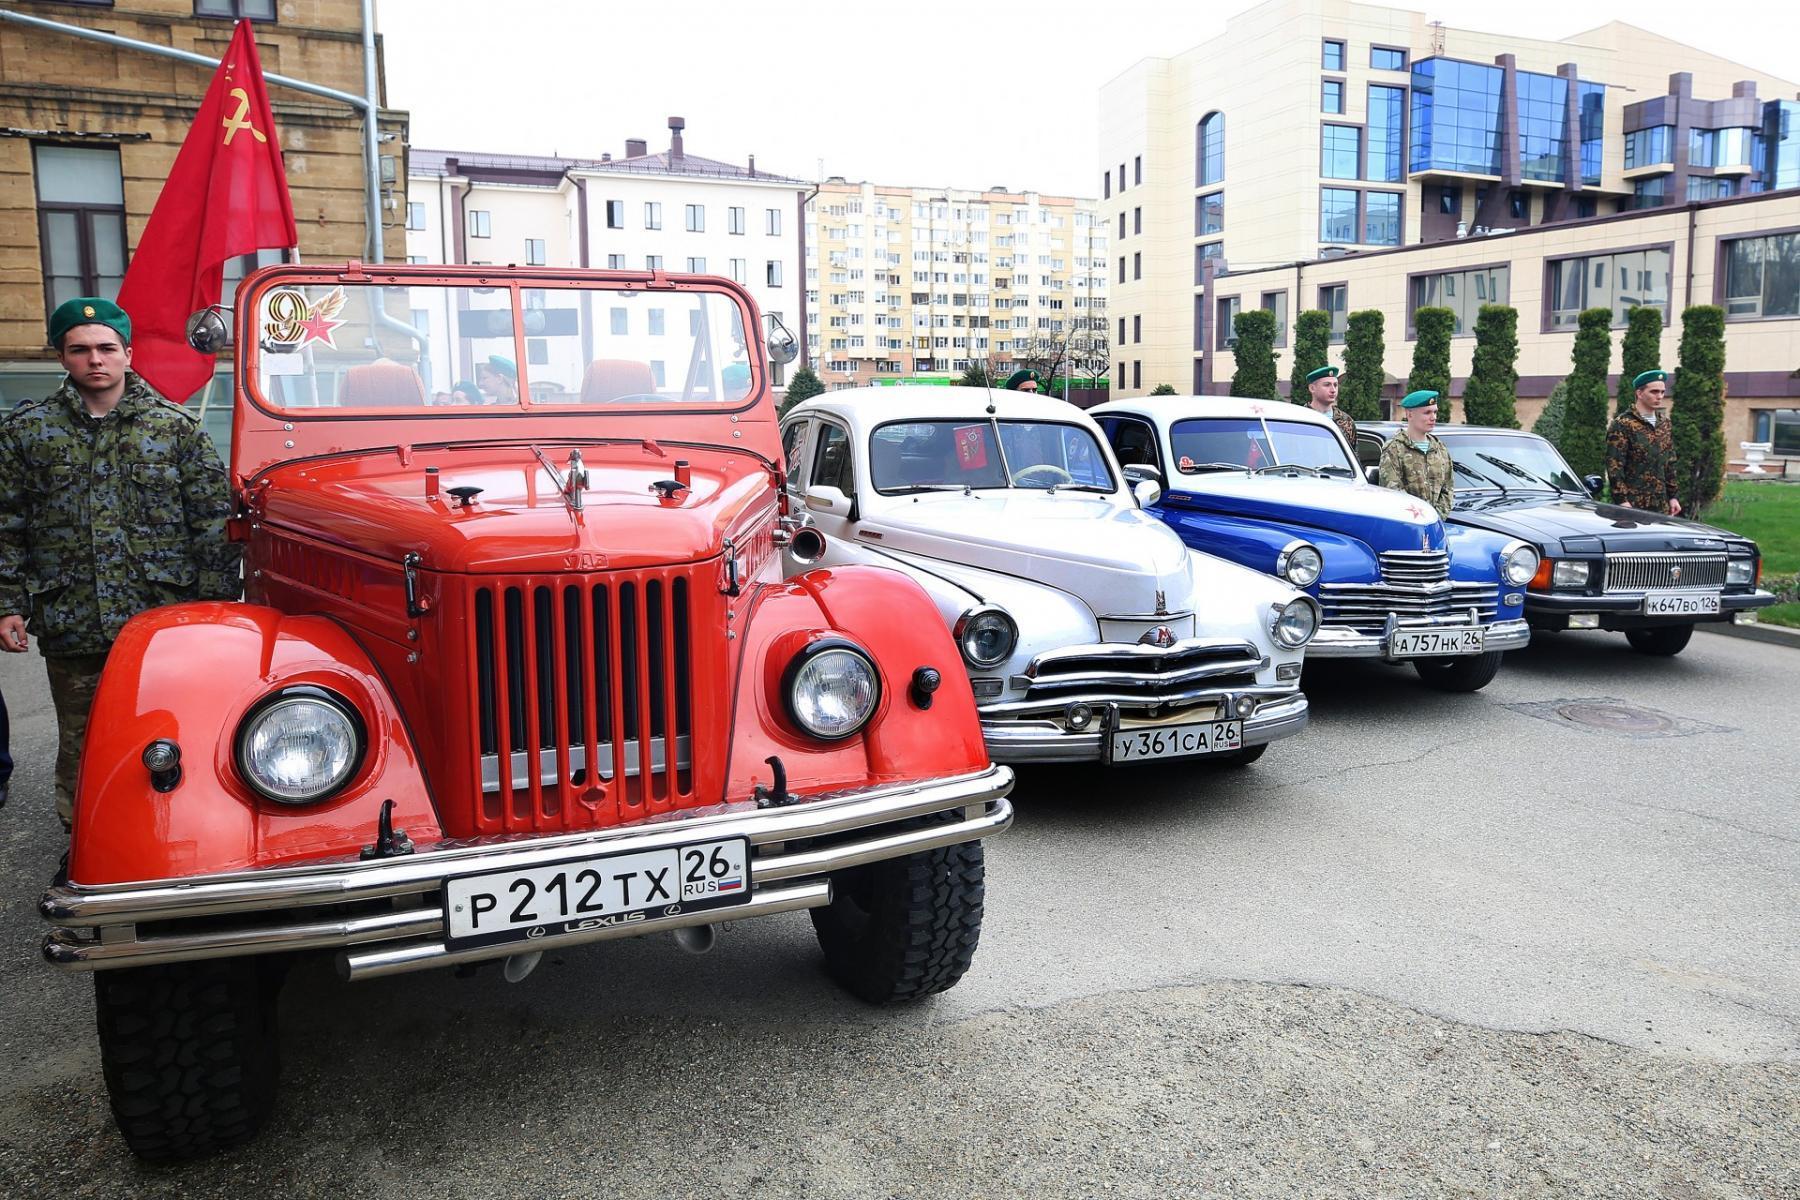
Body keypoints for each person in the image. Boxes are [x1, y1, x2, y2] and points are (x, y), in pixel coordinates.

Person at [0, 298, 241, 828]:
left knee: (170, 732)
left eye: (107, 348)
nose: (95, 360)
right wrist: (8, 604)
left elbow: (211, 523)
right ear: (61, 357)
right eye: (80, 349)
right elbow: (8, 523)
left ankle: (173, 833)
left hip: (160, 619)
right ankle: (87, 843)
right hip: (72, 617)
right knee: (83, 741)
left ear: (128, 354)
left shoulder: (175, 429)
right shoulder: (27, 434)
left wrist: (215, 608)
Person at [1605, 369, 1682, 515]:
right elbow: (1614, 465)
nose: (1659, 396)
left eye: (1662, 392)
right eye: (1654, 392)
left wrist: (1673, 497)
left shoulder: (1664, 424)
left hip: (1660, 504)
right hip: (1633, 504)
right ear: (1639, 393)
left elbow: (1669, 462)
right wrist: (1622, 500)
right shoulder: (1624, 424)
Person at [1378, 389, 1453, 517]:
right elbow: (1393, 491)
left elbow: (1448, 489)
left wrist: (1436, 517)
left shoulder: (1440, 449)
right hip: (1406, 524)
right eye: (1427, 412)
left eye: (1435, 412)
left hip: (1435, 524)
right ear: (1410, 415)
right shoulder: (1394, 448)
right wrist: (1419, 517)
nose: (1433, 417)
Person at [1302, 365, 1357, 447]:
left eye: (1335, 385)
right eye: (1327, 385)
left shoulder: (1346, 421)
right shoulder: (1301, 419)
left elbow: (1354, 454)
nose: (1333, 390)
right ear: (1312, 388)